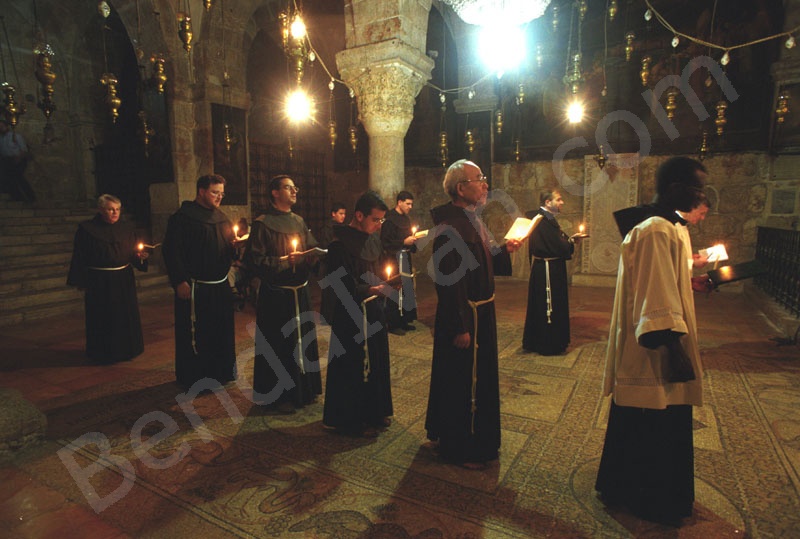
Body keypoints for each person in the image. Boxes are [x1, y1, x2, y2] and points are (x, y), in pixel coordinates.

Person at [595, 156, 706, 525]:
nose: (702, 198)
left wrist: (690, 279)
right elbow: (655, 295)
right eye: (697, 188)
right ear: (677, 188)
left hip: (661, 333)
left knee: (652, 416)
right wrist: (672, 345)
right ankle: (647, 497)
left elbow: (663, 278)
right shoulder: (656, 229)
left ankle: (625, 485)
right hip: (656, 344)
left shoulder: (669, 227)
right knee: (652, 414)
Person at [424, 159, 521, 469]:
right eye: (479, 179)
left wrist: (505, 251)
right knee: (463, 382)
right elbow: (449, 282)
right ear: (460, 187)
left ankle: (459, 436)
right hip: (466, 317)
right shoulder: (450, 228)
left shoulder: (471, 220)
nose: (485, 185)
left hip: (481, 313)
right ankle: (462, 446)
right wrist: (460, 326)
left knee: (467, 379)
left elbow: (483, 261)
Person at [244, 175, 322, 413]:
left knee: (302, 341)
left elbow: (311, 247)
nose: (294, 191)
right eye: (288, 188)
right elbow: (254, 261)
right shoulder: (262, 223)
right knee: (279, 345)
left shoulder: (298, 220)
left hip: (300, 293)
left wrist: (313, 256)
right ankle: (280, 396)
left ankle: (305, 390)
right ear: (275, 193)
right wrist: (285, 262)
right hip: (277, 296)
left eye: (294, 187)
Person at [322, 191, 395, 437]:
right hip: (350, 313)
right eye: (375, 220)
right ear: (359, 215)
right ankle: (350, 419)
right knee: (352, 365)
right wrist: (368, 289)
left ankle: (375, 411)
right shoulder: (338, 245)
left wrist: (389, 283)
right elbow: (339, 283)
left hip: (373, 310)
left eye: (381, 221)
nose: (378, 226)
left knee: (376, 359)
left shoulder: (373, 240)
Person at [162, 174, 238, 390]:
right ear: (201, 191)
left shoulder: (222, 217)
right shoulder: (182, 218)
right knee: (198, 332)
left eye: (222, 193)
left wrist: (234, 248)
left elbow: (225, 251)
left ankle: (221, 372)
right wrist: (179, 281)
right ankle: (196, 377)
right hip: (194, 286)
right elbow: (172, 252)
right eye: (215, 192)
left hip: (220, 285)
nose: (219, 197)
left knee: (221, 330)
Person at [66, 194, 148, 363]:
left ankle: (128, 349)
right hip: (99, 281)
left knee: (125, 316)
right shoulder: (87, 229)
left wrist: (140, 256)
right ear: (101, 210)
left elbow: (133, 253)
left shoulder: (126, 228)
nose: (115, 213)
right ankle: (103, 352)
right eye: (110, 209)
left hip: (123, 279)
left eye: (117, 209)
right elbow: (80, 256)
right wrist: (81, 280)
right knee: (103, 317)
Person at [521, 190, 581, 355]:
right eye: (559, 200)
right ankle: (547, 344)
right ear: (548, 202)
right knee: (547, 306)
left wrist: (569, 241)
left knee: (552, 304)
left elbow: (557, 241)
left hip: (552, 268)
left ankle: (548, 341)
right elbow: (555, 246)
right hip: (547, 270)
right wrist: (569, 244)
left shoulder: (549, 220)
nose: (562, 203)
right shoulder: (542, 221)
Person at [380, 190, 418, 335]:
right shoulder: (389, 219)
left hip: (405, 258)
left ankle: (404, 320)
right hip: (394, 259)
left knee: (406, 290)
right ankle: (393, 323)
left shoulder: (406, 219)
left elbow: (408, 237)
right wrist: (403, 242)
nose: (410, 207)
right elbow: (385, 242)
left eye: (411, 204)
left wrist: (413, 240)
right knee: (395, 290)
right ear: (399, 202)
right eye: (408, 204)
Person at [317, 202, 347, 324]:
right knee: (329, 292)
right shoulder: (327, 228)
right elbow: (325, 245)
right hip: (329, 263)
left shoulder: (342, 227)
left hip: (339, 263)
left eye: (344, 213)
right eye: (340, 213)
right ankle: (327, 318)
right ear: (333, 214)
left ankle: (336, 316)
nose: (343, 216)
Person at [0, 119, 35, 203]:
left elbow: (24, 150)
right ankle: (17, 197)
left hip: (18, 159)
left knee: (18, 177)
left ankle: (31, 197)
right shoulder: (1, 138)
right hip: (7, 160)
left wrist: (18, 159)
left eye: (1, 126)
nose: (0, 128)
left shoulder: (15, 136)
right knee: (8, 179)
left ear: (6, 126)